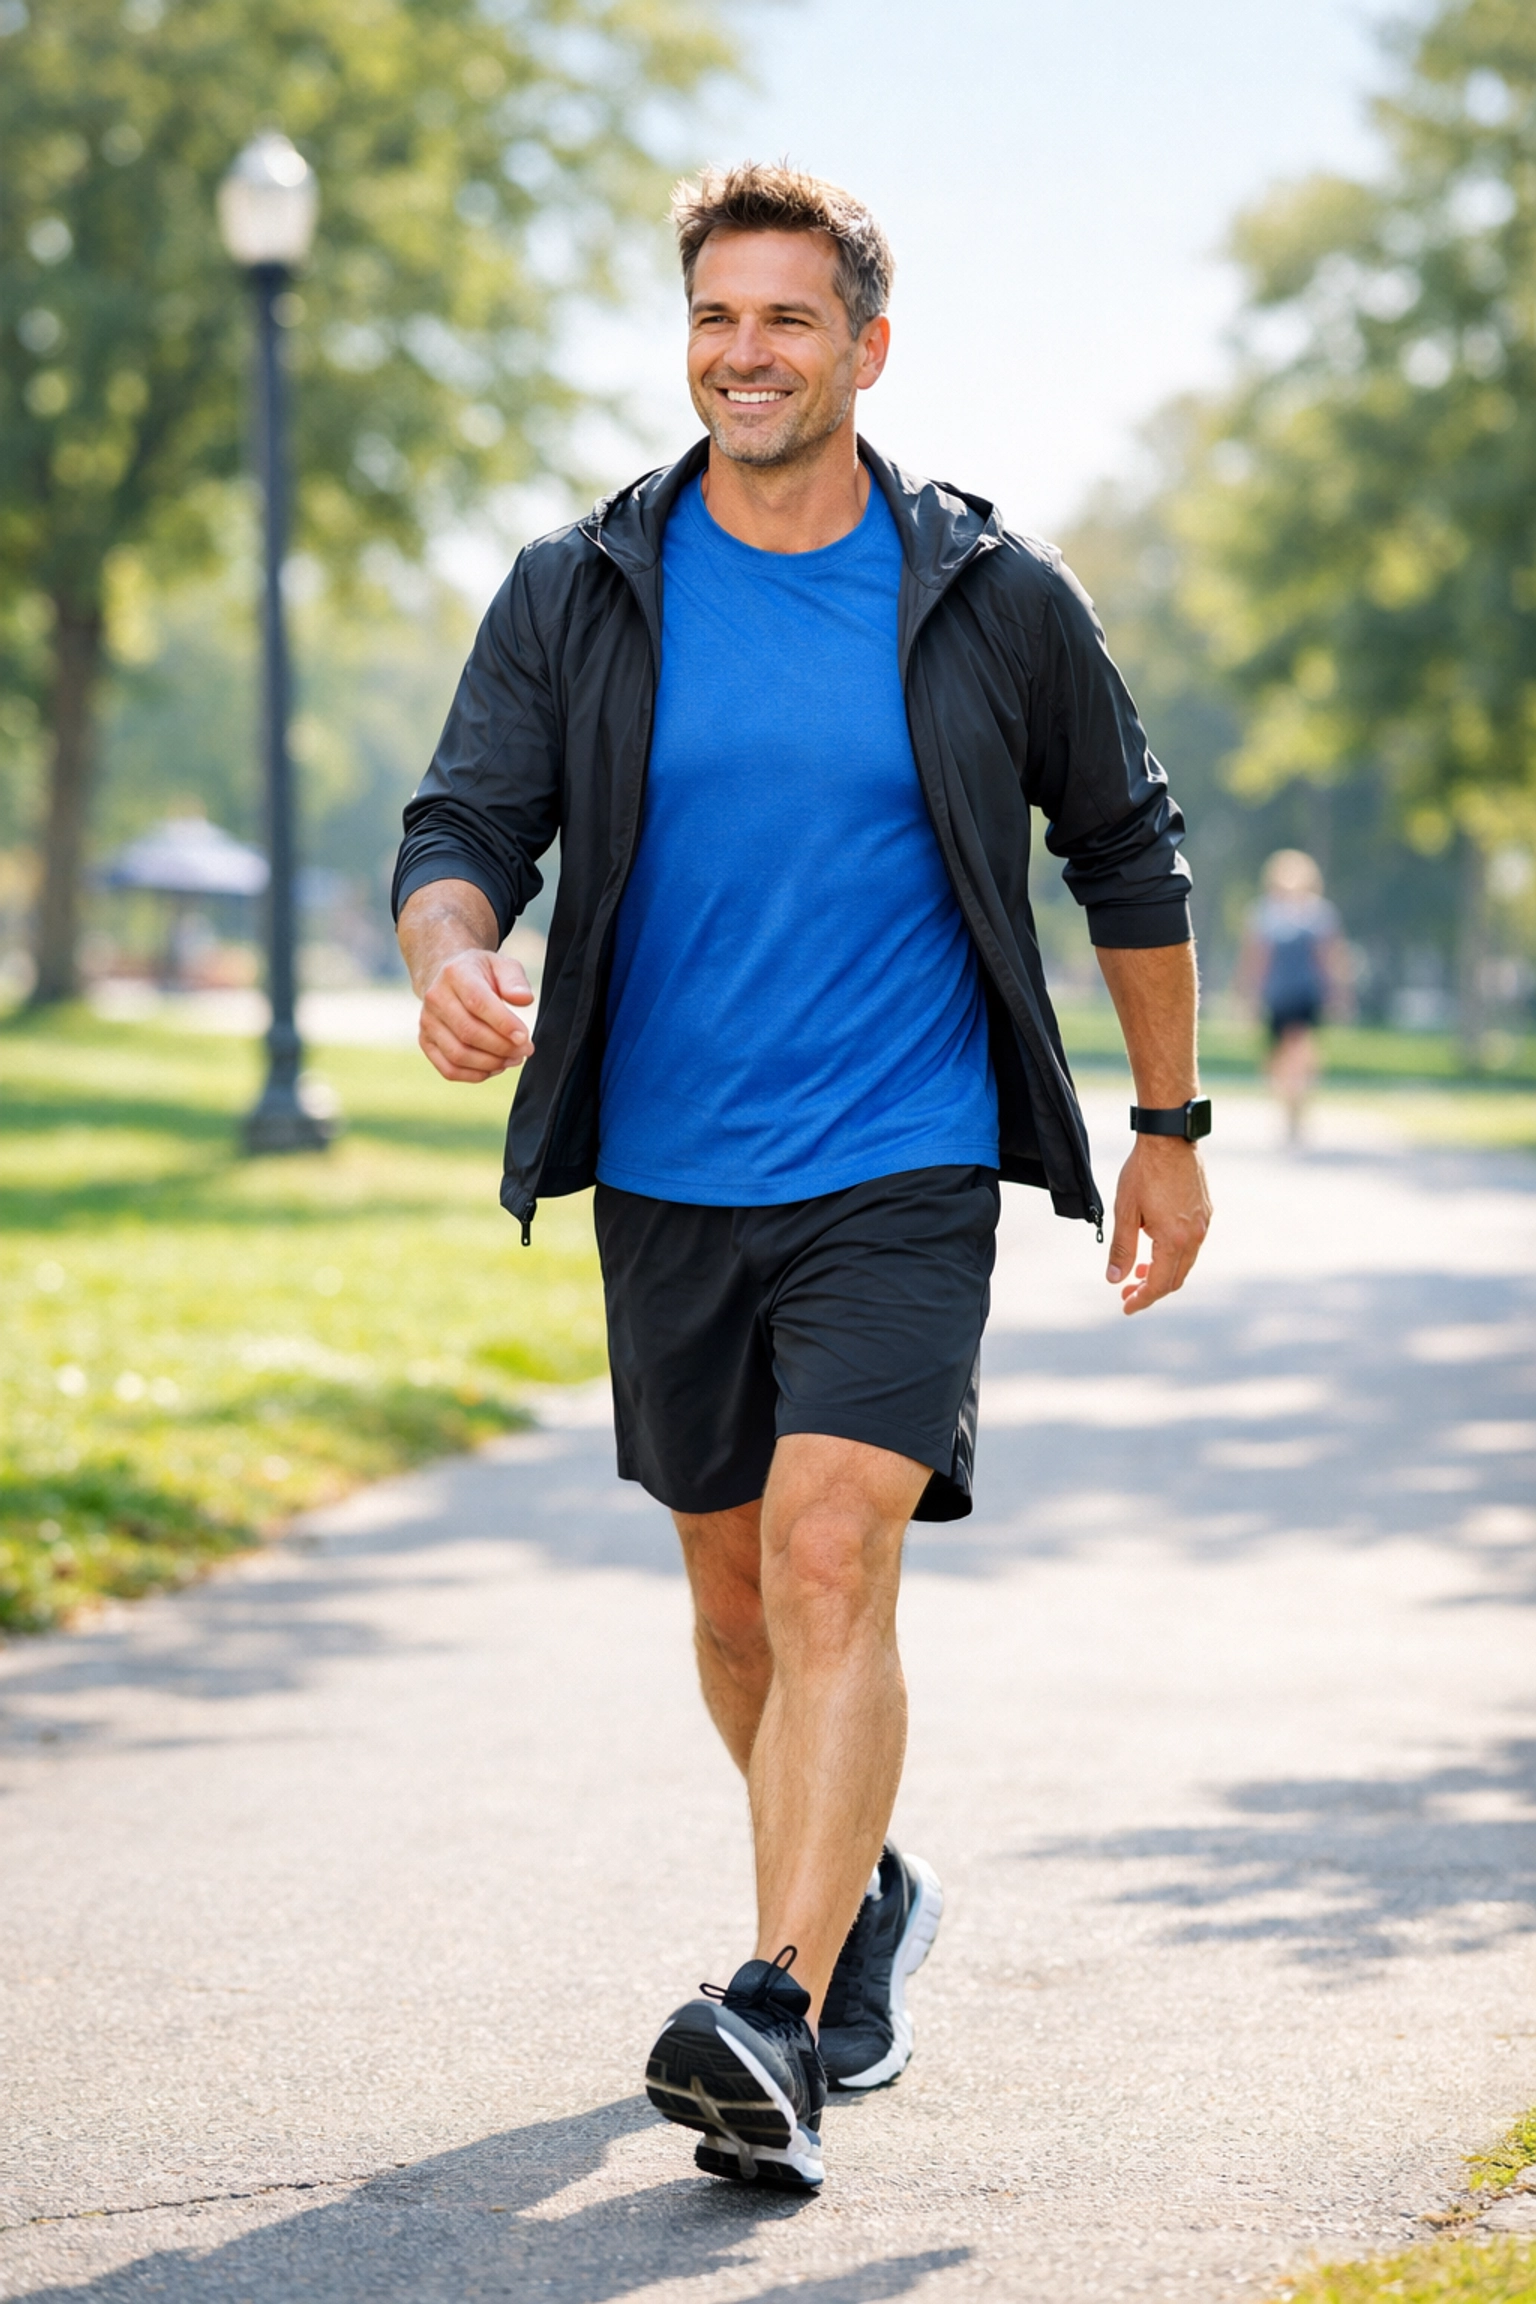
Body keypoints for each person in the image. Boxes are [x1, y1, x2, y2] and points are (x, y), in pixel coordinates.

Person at [393, 163, 1212, 2193]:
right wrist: (450, 952)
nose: (743, 353)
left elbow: (1128, 846)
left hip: (902, 1155)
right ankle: (860, 1897)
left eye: (785, 319)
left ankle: (772, 2008)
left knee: (836, 1549)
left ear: (866, 345)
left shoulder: (988, 593)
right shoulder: (582, 583)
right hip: (670, 1170)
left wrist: (1172, 1134)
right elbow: (464, 816)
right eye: (714, 319)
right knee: (739, 1597)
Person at [1238, 849, 1348, 1143]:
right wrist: (1248, 995)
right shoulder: (1263, 913)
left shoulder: (1319, 914)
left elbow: (1328, 958)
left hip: (1305, 994)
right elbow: (1255, 959)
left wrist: (1337, 993)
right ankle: (1288, 1103)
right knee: (1276, 1057)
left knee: (1301, 1051)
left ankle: (1299, 1104)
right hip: (1276, 996)